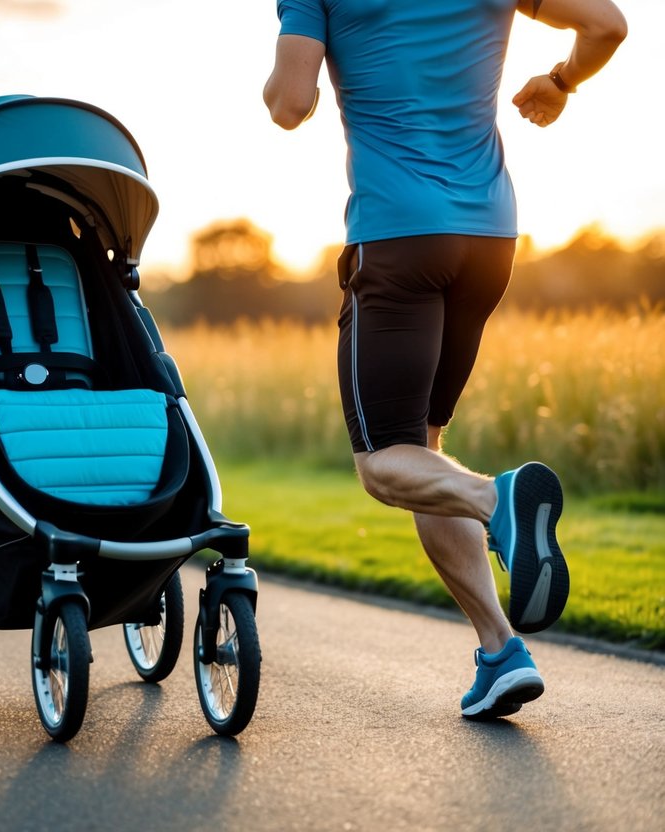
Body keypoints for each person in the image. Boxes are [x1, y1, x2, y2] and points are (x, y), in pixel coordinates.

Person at [263, 0, 625, 719]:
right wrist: (559, 81)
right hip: (488, 239)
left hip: (397, 236)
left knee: (381, 464)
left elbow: (289, 104)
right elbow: (607, 25)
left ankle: (500, 501)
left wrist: (286, 74)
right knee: (425, 452)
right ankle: (499, 652)